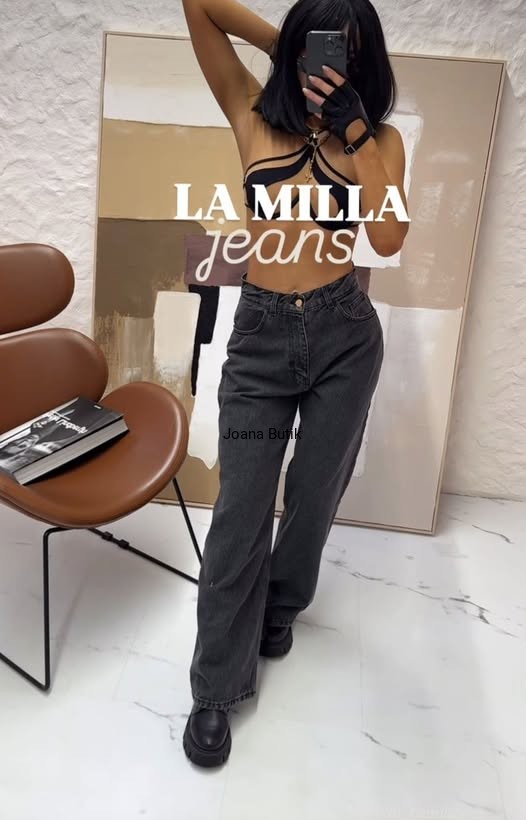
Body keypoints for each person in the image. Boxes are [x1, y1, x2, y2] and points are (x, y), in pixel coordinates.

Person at [181, 0, 409, 767]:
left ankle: (280, 606)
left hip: (345, 335)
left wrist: (354, 130)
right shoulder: (251, 111)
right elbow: (199, 7)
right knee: (240, 508)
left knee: (314, 494)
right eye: (324, 47)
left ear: (368, 62)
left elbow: (389, 236)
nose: (335, 63)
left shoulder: (381, 141)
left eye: (350, 52)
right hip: (261, 339)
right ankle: (215, 687)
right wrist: (290, 48)